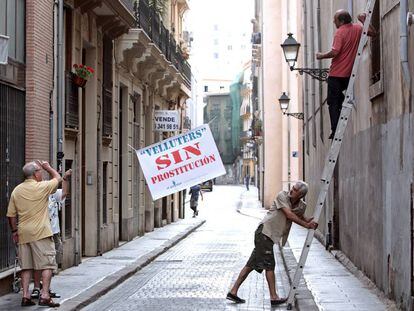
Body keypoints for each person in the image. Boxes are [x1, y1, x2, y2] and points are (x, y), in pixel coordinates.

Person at [226, 181, 318, 307]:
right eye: (292, 187)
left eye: (295, 189)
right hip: (264, 233)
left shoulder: (302, 205)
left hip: (269, 237)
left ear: (301, 194)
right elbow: (289, 215)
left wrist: (311, 221)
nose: (291, 190)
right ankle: (273, 297)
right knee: (270, 265)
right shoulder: (282, 196)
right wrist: (306, 226)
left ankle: (233, 291)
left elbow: (301, 217)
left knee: (250, 265)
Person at [7, 160, 61, 307]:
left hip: (24, 233)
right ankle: (44, 295)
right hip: (41, 233)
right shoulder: (41, 187)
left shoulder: (16, 190)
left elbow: (11, 215)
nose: (41, 173)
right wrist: (48, 167)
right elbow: (58, 178)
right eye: (40, 171)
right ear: (35, 174)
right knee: (47, 265)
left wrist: (14, 231)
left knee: (26, 267)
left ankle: (25, 296)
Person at [316, 10, 377, 139]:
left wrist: (321, 56)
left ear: (342, 21)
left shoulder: (340, 32)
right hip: (348, 75)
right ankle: (342, 103)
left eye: (335, 19)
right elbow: (373, 33)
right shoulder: (357, 28)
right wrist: (364, 21)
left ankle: (335, 130)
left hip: (336, 74)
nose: (334, 21)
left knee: (332, 103)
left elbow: (335, 52)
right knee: (337, 99)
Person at [31, 169, 72, 300]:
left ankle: (45, 289)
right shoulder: (34, 193)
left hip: (53, 233)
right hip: (40, 232)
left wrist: (65, 179)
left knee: (51, 263)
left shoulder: (52, 193)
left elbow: (65, 192)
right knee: (39, 262)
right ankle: (37, 288)